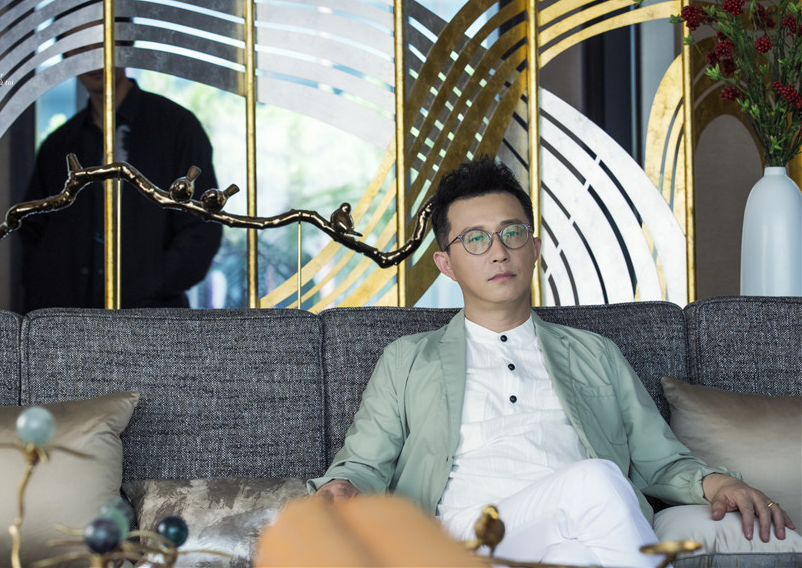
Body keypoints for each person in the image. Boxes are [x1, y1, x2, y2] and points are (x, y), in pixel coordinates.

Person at [307, 157, 795, 566]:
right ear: (446, 264)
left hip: (577, 528)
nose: (498, 252)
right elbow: (363, 464)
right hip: (463, 535)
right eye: (475, 239)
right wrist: (343, 486)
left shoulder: (594, 353)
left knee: (580, 552)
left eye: (512, 233)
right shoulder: (408, 359)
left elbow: (658, 457)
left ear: (535, 248)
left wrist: (717, 481)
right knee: (596, 481)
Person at [19, 24, 222, 311]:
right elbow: (33, 233)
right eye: (78, 47)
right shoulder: (58, 144)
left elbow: (202, 227)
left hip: (153, 318)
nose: (91, 57)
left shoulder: (176, 127)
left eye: (99, 44)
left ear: (124, 46)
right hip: (68, 321)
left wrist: (152, 286)